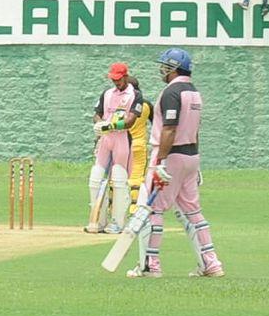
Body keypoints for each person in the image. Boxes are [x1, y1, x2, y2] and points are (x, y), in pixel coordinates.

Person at [126, 47, 225, 279]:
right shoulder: (194, 92)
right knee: (194, 212)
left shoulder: (172, 92)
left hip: (170, 157)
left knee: (154, 210)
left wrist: (160, 161)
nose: (162, 70)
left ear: (173, 68)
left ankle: (151, 265)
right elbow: (195, 129)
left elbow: (170, 129)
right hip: (191, 156)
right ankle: (211, 264)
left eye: (165, 66)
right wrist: (195, 163)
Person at [85, 62, 142, 235]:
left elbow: (131, 120)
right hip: (105, 140)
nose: (115, 82)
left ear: (125, 76)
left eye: (118, 79)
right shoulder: (107, 93)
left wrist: (111, 125)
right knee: (95, 179)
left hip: (122, 139)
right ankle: (98, 221)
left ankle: (118, 222)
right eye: (113, 79)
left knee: (118, 179)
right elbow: (97, 113)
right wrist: (99, 124)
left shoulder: (135, 95)